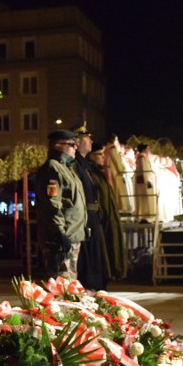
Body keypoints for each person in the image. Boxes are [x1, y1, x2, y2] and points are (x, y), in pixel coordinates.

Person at [35, 129, 88, 280]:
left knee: (70, 284)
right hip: (61, 239)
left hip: (72, 236)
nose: (76, 147)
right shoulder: (53, 168)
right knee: (61, 284)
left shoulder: (67, 168)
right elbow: (52, 205)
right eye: (72, 144)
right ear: (58, 146)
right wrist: (60, 233)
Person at [71, 123, 108, 290]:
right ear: (78, 143)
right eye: (87, 138)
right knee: (88, 256)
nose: (91, 141)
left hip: (92, 216)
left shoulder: (85, 164)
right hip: (85, 217)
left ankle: (96, 284)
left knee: (95, 254)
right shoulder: (76, 164)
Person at [88, 143, 127, 282]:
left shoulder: (100, 174)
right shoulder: (92, 174)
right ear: (91, 157)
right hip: (100, 221)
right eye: (100, 154)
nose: (103, 157)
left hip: (107, 219)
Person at [134, 143, 158, 222]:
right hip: (144, 183)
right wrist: (147, 181)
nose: (149, 150)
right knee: (145, 199)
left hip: (144, 181)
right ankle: (145, 216)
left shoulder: (142, 158)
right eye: (147, 149)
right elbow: (144, 170)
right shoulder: (142, 158)